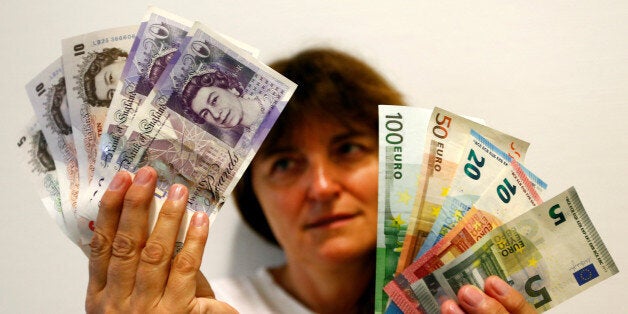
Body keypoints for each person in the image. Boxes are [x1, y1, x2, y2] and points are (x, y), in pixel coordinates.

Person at [85, 48, 536, 313]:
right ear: (252, 195)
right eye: (284, 163)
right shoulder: (195, 307)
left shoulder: (461, 301)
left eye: (348, 149)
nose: (321, 187)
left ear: (402, 165)